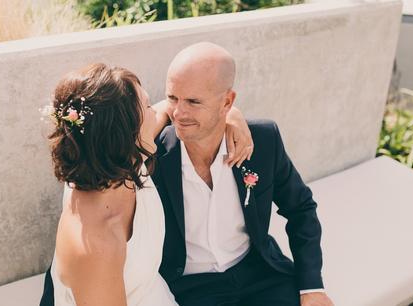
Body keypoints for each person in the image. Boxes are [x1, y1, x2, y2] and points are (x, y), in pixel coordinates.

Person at [39, 63, 253, 306]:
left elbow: (171, 108)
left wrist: (231, 114)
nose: (161, 113)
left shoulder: (118, 159)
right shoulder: (96, 245)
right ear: (123, 132)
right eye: (148, 107)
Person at [152, 42, 334, 306]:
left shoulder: (263, 139)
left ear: (227, 101)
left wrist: (311, 287)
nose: (179, 113)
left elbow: (301, 208)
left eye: (193, 101)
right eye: (172, 98)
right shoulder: (152, 153)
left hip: (261, 274)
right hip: (192, 288)